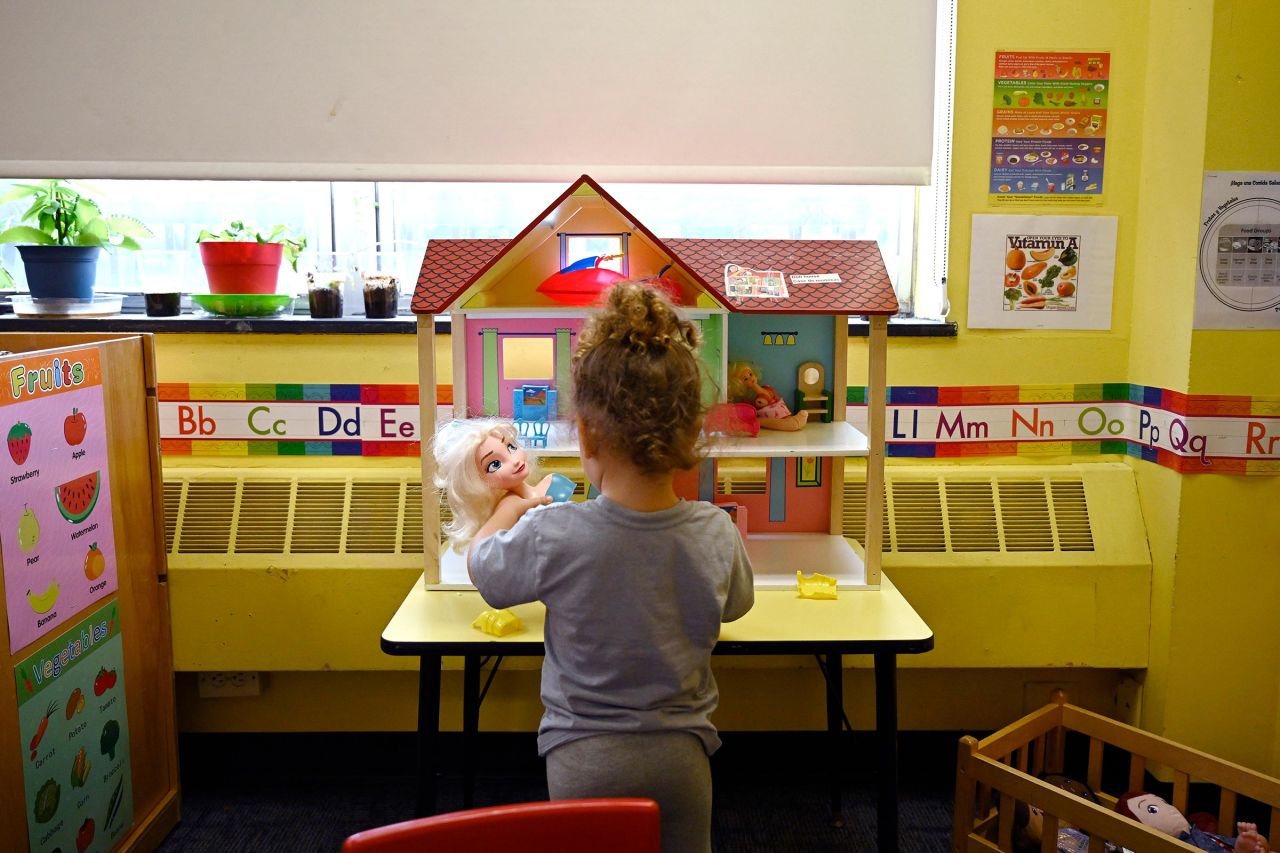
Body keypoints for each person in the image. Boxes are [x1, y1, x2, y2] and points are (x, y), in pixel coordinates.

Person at [465, 282, 755, 853]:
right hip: (683, 759)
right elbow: (738, 603)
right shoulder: (715, 529)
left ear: (589, 434)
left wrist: (508, 509)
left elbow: (487, 574)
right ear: (689, 434)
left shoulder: (556, 532)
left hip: (583, 758)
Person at [432, 418, 553, 552]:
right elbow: (480, 555)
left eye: (511, 447)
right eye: (495, 464)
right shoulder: (509, 506)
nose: (514, 461)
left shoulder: (552, 482)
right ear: (478, 483)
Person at [727, 361, 808, 431]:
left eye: (750, 374)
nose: (750, 378)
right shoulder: (747, 398)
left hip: (780, 414)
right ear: (740, 384)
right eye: (745, 379)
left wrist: (755, 386)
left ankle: (793, 422)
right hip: (770, 418)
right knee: (771, 422)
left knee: (785, 420)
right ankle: (793, 423)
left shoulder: (765, 388)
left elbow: (767, 395)